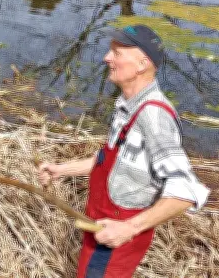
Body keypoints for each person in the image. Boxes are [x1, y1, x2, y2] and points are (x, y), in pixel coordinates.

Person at [37, 25, 210, 278]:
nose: (107, 57)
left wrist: (128, 228)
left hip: (117, 240)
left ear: (141, 64)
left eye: (117, 52)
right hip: (100, 226)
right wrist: (62, 170)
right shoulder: (127, 106)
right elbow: (113, 161)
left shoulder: (153, 117)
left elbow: (186, 191)